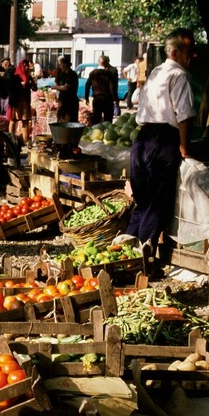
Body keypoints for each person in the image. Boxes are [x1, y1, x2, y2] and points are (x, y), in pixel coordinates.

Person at [126, 28, 197, 261]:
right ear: (176, 52)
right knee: (157, 201)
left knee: (143, 200)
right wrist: (185, 148)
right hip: (162, 140)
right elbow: (184, 114)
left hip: (142, 140)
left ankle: (126, 251)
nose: (194, 55)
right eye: (190, 50)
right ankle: (143, 256)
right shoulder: (180, 76)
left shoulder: (157, 72)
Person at [7, 58, 37, 146]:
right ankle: (10, 139)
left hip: (25, 102)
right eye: (24, 66)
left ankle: (25, 140)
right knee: (13, 120)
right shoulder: (16, 76)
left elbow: (35, 88)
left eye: (27, 65)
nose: (26, 67)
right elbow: (12, 88)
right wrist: (20, 85)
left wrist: (31, 82)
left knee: (25, 121)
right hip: (17, 102)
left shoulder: (29, 76)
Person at [84, 55, 117, 124]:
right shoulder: (108, 73)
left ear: (99, 62)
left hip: (97, 98)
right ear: (107, 63)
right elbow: (112, 88)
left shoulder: (93, 73)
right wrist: (115, 99)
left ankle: (94, 133)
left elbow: (87, 85)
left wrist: (86, 97)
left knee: (96, 118)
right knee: (108, 120)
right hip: (107, 99)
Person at [52, 56, 79, 122]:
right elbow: (57, 81)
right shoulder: (63, 74)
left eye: (61, 65)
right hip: (63, 102)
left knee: (69, 121)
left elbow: (66, 87)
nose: (60, 67)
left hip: (70, 102)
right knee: (61, 120)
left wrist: (55, 87)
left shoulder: (71, 74)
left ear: (65, 64)